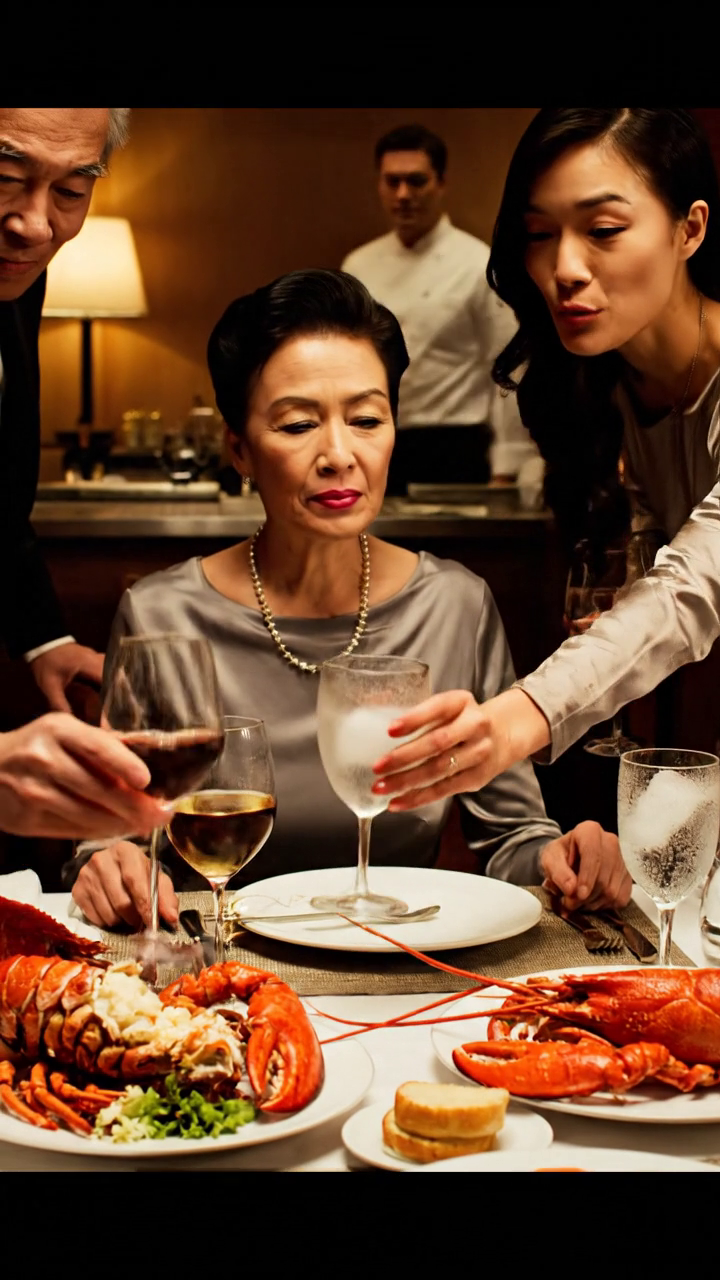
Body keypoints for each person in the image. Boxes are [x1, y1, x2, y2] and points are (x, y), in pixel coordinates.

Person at [65, 268, 631, 929]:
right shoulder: (163, 613)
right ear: (239, 449)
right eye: (299, 423)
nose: (339, 454)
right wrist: (107, 863)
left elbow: (510, 836)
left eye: (366, 419)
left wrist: (563, 857)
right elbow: (114, 837)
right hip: (209, 975)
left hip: (395, 970)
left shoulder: (453, 605)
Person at [370, 108, 720, 813]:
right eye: (538, 235)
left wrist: (517, 716)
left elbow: (692, 583)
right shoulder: (603, 385)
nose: (562, 268)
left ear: (691, 229)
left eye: (603, 231)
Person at [0, 107, 167, 841]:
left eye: (72, 190)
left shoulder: (16, 279)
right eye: (5, 178)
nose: (36, 225)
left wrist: (41, 638)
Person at [341, 123, 538, 490]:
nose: (403, 194)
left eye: (416, 181)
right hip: (375, 443)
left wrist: (507, 463)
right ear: (379, 184)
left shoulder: (477, 264)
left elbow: (511, 367)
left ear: (441, 183)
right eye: (392, 181)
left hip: (456, 446)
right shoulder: (358, 266)